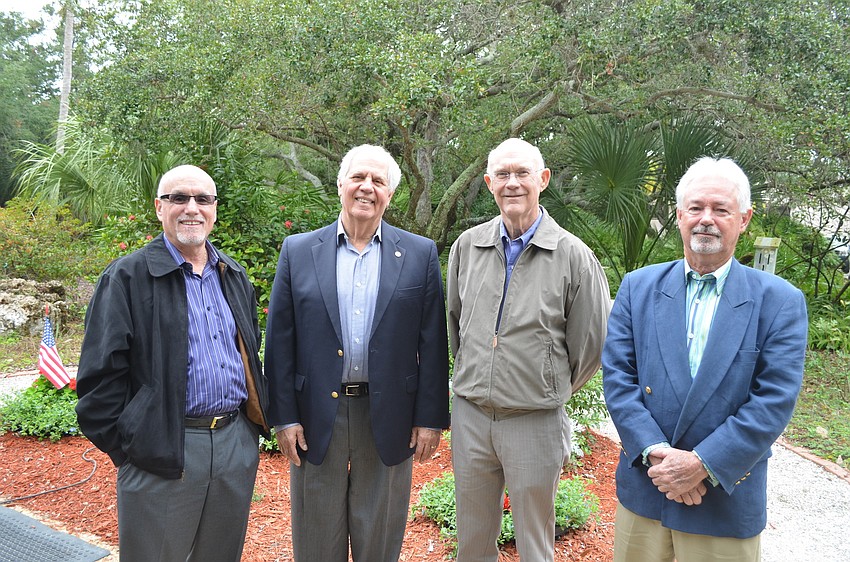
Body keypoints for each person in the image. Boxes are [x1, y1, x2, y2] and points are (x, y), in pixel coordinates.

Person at [602, 157, 808, 562]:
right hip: (648, 487)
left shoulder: (780, 301)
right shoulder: (637, 288)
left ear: (744, 219)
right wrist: (660, 457)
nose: (706, 219)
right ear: (679, 215)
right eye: (695, 208)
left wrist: (701, 464)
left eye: (721, 209)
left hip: (723, 500)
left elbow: (774, 402)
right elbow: (619, 379)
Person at [264, 144, 450, 561]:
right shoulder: (298, 250)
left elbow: (433, 342)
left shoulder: (419, 254)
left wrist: (429, 419)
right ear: (340, 185)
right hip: (314, 415)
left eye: (378, 181)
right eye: (358, 178)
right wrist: (285, 416)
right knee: (316, 540)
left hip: (389, 416)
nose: (367, 188)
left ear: (390, 193)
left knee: (379, 538)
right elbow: (280, 341)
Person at [75, 165, 269, 562]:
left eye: (203, 199)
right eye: (179, 198)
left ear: (215, 209)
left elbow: (250, 350)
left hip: (234, 445)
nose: (192, 208)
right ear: (159, 208)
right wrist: (134, 447)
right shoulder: (127, 278)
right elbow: (98, 381)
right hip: (163, 450)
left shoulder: (233, 274)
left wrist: (248, 436)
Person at [446, 137, 610, 561]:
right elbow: (455, 324)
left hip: (535, 422)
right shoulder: (467, 246)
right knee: (472, 540)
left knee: (535, 544)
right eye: (502, 174)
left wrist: (543, 387)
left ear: (543, 179)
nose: (512, 183)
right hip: (471, 417)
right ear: (488, 183)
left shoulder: (574, 255)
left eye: (522, 173)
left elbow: (590, 346)